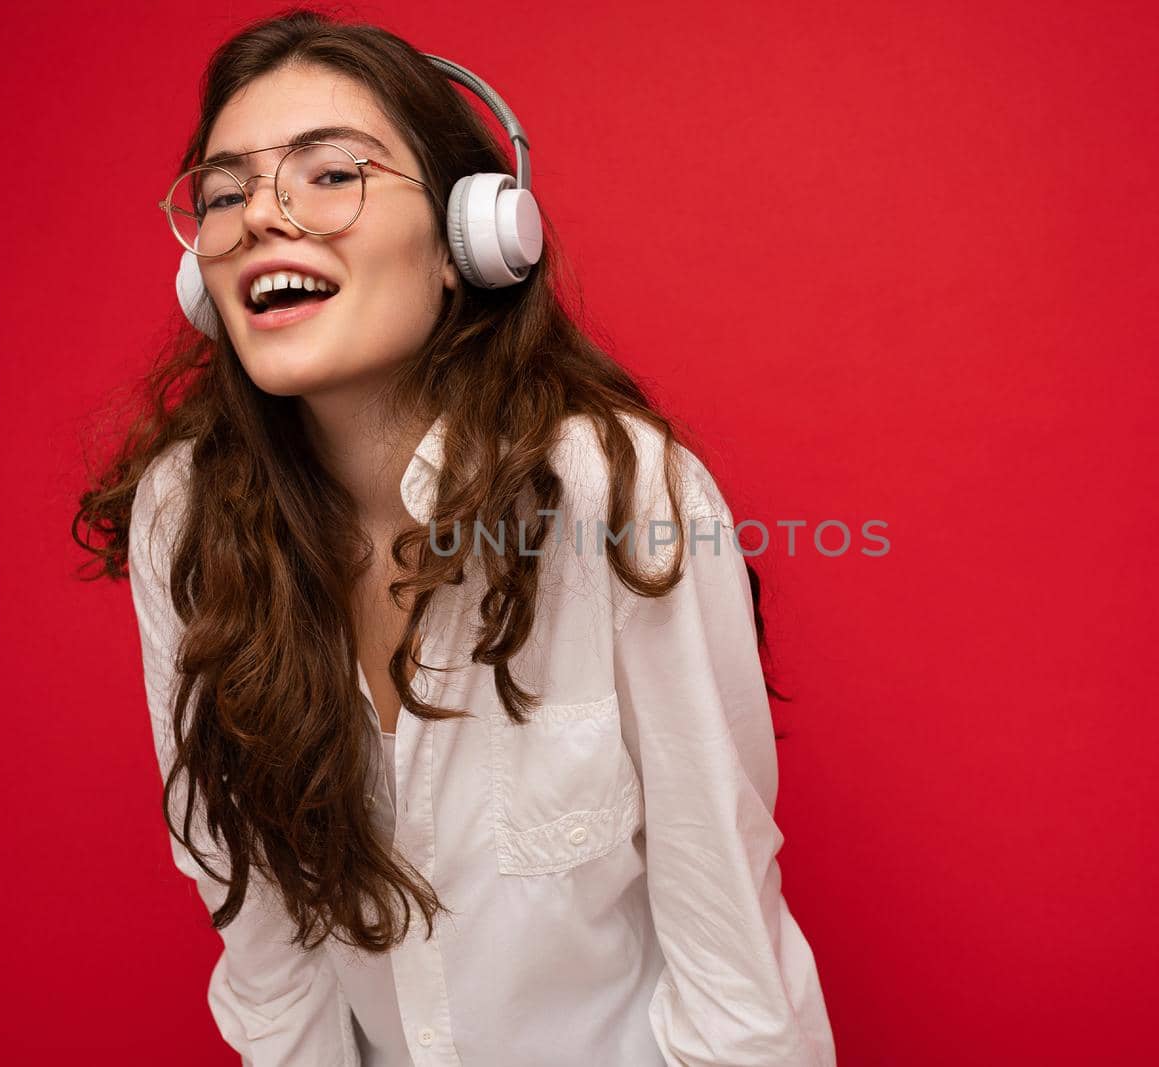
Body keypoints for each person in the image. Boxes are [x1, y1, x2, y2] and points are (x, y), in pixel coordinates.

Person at [76, 9, 835, 1065]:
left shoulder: (613, 488)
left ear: (468, 237)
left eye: (330, 174)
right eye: (223, 191)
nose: (260, 216)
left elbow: (732, 960)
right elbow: (262, 943)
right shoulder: (185, 515)